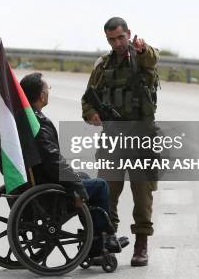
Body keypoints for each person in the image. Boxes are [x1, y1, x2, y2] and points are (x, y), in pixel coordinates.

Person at [0, 72, 127, 256]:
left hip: (26, 187)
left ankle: (96, 237)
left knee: (82, 177)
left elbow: (2, 161)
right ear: (42, 96)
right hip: (46, 193)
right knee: (100, 186)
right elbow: (54, 162)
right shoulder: (38, 124)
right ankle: (101, 241)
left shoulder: (14, 122)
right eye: (47, 89)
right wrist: (75, 188)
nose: (48, 92)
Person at [81, 17, 160, 267]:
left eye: (120, 37)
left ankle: (141, 245)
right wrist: (91, 114)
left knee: (142, 195)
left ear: (129, 34)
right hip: (113, 139)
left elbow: (152, 58)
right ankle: (106, 241)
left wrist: (141, 48)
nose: (117, 43)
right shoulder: (103, 66)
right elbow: (88, 98)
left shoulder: (142, 57)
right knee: (106, 192)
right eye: (111, 39)